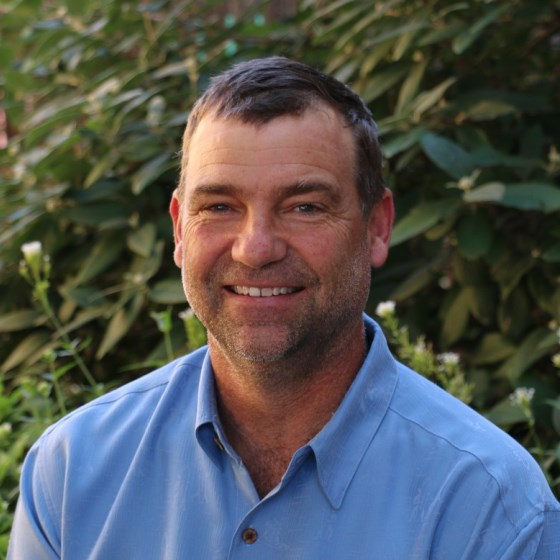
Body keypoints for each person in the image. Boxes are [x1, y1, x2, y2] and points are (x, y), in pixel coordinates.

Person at [8, 57, 560, 559]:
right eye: (220, 206)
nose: (256, 247)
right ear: (179, 229)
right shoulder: (71, 473)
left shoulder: (494, 508)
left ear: (377, 227)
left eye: (304, 205)